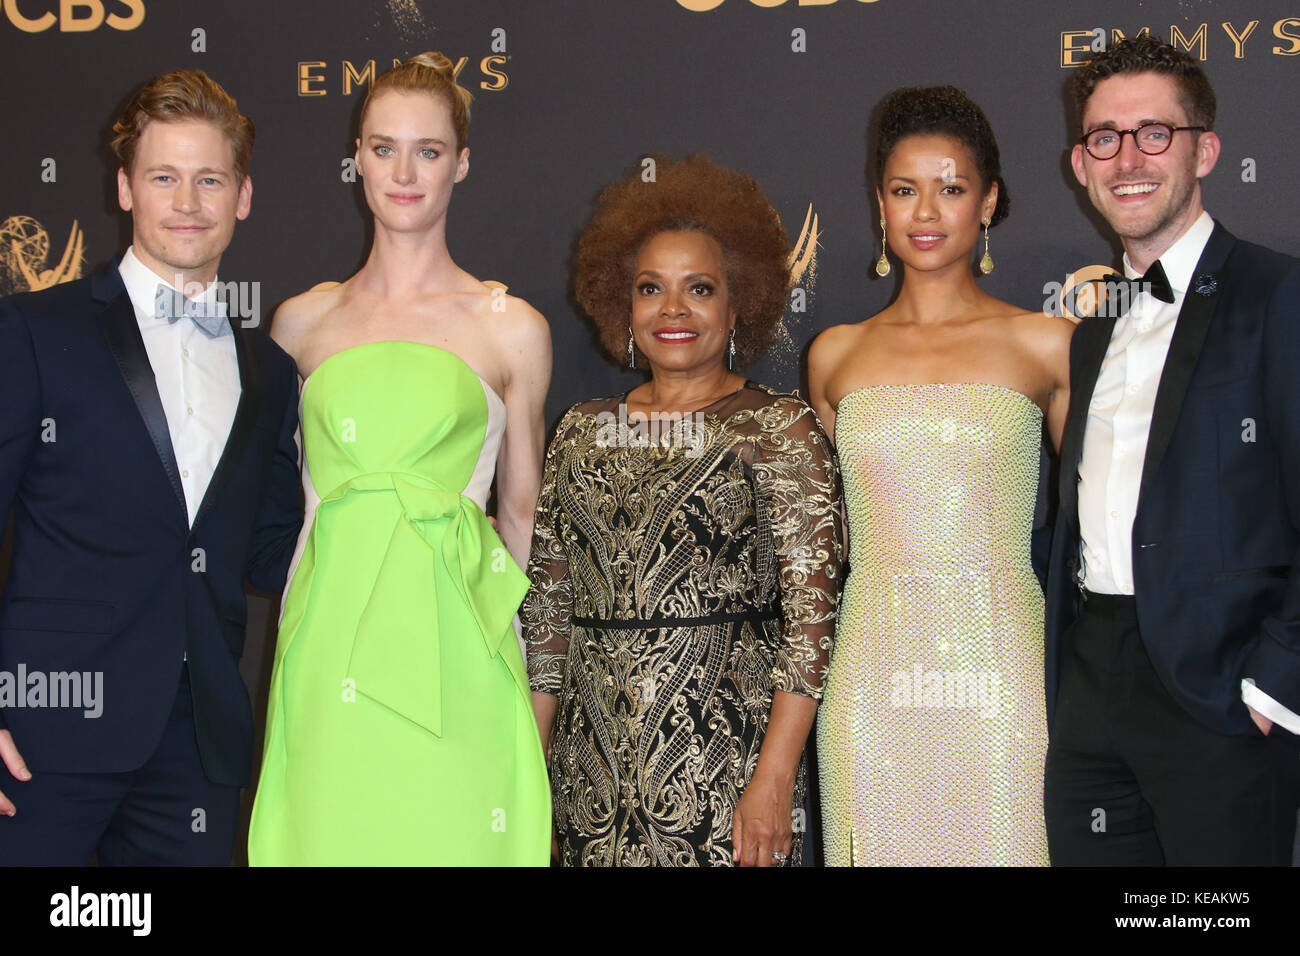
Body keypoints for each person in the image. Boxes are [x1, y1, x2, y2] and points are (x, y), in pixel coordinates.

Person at [247, 53, 552, 865]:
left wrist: (525, 671)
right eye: (384, 148)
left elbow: (522, 516)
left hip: (459, 645)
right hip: (327, 636)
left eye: (429, 150)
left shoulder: (510, 325)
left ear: (462, 163)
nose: (405, 173)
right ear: (357, 158)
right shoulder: (301, 324)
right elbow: (280, 501)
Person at [0, 70, 302, 864]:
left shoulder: (270, 370)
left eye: (211, 179)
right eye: (164, 177)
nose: (187, 202)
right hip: (44, 730)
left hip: (198, 744)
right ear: (125, 189)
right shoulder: (36, 329)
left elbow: (274, 551)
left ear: (243, 195)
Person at [522, 155, 843, 867]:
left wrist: (775, 778)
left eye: (699, 288)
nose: (673, 309)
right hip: (588, 774)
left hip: (725, 770)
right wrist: (530, 770)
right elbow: (548, 617)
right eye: (650, 288)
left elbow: (811, 624)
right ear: (624, 306)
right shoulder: (579, 431)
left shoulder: (776, 429)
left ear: (737, 305)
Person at [1044, 35, 1300, 866]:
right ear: (1080, 165)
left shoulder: (1278, 294)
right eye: (1104, 138)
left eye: (1154, 133)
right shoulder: (1094, 332)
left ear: (1205, 151)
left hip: (1222, 696)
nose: (1128, 160)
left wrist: (1275, 681)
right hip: (1091, 688)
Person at [809, 86, 1074, 866]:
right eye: (904, 190)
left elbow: (1093, 524)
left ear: (987, 202)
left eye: (950, 189)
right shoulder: (835, 355)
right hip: (872, 668)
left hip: (1000, 666)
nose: (925, 212)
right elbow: (831, 534)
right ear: (880, 204)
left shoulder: (1046, 344)